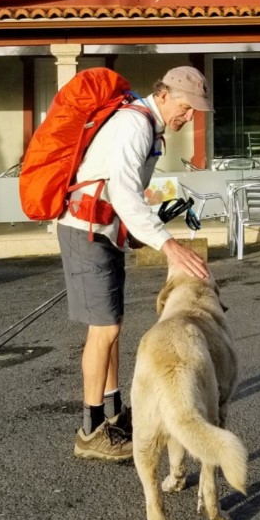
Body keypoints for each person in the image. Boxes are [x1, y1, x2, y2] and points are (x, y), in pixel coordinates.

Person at [56, 65, 212, 462]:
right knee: (104, 328)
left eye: (195, 110)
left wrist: (153, 223)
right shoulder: (134, 124)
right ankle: (90, 432)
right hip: (86, 231)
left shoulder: (150, 129)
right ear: (163, 93)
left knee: (112, 326)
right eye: (185, 106)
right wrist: (169, 245)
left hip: (103, 231)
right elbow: (124, 192)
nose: (189, 116)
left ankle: (112, 414)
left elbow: (126, 196)